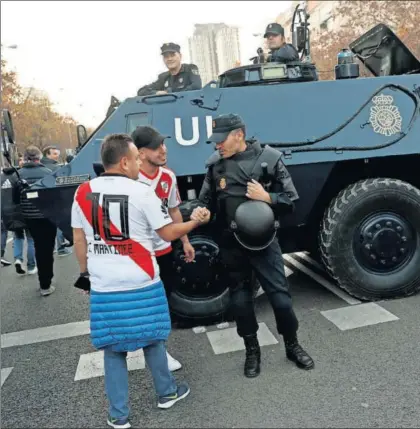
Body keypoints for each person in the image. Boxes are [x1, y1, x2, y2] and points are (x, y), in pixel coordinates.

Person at [71, 133, 210, 429]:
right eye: (135, 158)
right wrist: (196, 222)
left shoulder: (82, 192)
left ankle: (118, 414)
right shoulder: (143, 192)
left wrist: (85, 275)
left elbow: (79, 238)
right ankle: (167, 393)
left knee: (113, 348)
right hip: (142, 279)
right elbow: (168, 233)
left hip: (105, 284)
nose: (137, 163)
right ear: (124, 162)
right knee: (154, 338)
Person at [198, 113, 314, 378]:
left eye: (222, 139)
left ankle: (292, 345)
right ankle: (252, 351)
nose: (218, 145)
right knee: (240, 303)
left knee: (281, 301)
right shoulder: (215, 166)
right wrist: (202, 212)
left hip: (264, 243)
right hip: (232, 244)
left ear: (239, 134)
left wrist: (268, 197)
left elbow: (290, 200)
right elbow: (206, 202)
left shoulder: (270, 159)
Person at [132, 125, 195, 372]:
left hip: (163, 250)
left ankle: (159, 350)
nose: (163, 149)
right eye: (156, 146)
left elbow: (174, 211)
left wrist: (186, 241)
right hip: (137, 253)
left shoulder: (168, 176)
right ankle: (139, 344)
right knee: (140, 303)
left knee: (162, 302)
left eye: (163, 144)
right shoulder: (130, 179)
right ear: (141, 152)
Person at [17, 146, 57, 295]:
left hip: (29, 217)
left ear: (26, 158)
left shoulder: (18, 174)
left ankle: (43, 281)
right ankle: (46, 281)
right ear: (39, 158)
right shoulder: (48, 172)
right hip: (47, 216)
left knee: (37, 245)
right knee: (47, 249)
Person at [137, 43, 202, 96]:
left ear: (180, 56)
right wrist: (156, 93)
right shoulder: (163, 77)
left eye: (172, 55)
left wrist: (171, 95)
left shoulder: (190, 69)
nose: (169, 59)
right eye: (166, 56)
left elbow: (196, 86)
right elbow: (141, 91)